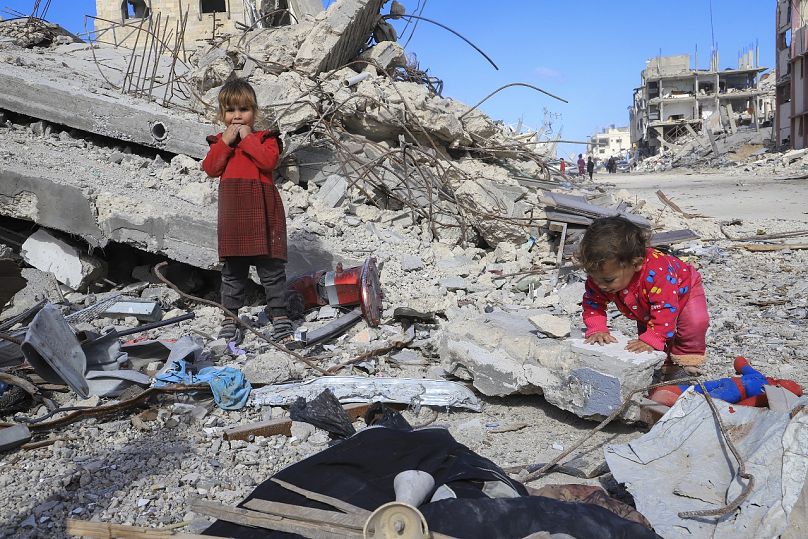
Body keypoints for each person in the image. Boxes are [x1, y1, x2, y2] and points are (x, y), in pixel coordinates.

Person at [202, 78, 293, 344]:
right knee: (232, 271)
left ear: (255, 111)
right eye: (231, 111)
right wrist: (227, 142)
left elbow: (268, 161)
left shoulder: (267, 139)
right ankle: (230, 318)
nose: (237, 116)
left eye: (244, 110)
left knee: (271, 270)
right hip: (234, 216)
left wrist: (247, 138)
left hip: (263, 213)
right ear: (222, 115)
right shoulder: (219, 142)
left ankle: (280, 318)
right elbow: (210, 169)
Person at [577, 216, 709, 374]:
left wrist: (653, 338)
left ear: (636, 264)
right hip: (646, 303)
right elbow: (593, 303)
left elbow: (665, 308)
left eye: (608, 280)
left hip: (684, 288)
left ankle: (686, 359)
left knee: (694, 324)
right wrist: (597, 328)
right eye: (594, 278)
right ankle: (665, 362)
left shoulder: (657, 272)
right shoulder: (603, 277)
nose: (600, 285)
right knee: (648, 332)